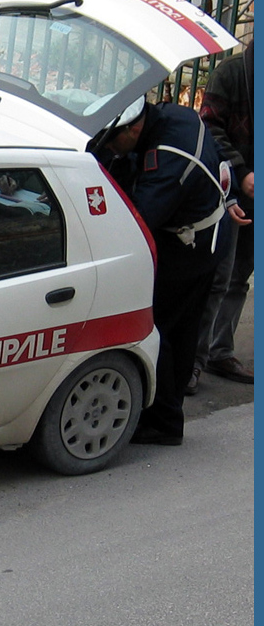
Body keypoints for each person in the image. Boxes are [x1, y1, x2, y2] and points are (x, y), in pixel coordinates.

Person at [91, 94, 232, 445]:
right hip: (206, 234)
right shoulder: (176, 116)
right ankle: (172, 410)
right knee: (184, 328)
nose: (110, 146)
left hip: (190, 248)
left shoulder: (168, 163)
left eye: (114, 139)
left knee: (158, 328)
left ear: (135, 127)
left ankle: (163, 421)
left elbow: (139, 220)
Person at [188, 39, 254, 393]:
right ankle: (193, 361)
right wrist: (242, 171)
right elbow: (209, 129)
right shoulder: (230, 74)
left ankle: (220, 351)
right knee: (217, 278)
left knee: (240, 276)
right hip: (226, 190)